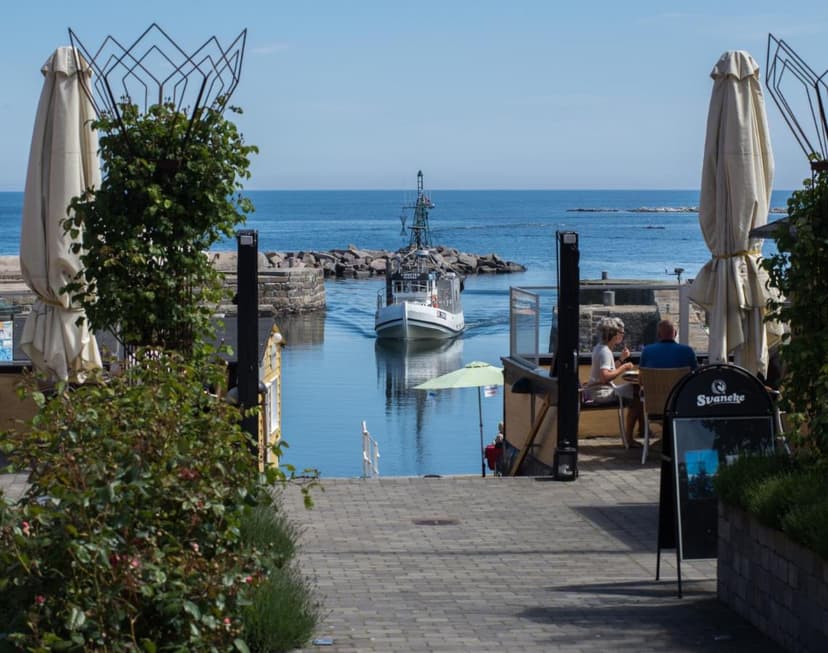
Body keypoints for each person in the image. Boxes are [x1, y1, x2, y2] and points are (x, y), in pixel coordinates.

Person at [586, 317, 642, 447]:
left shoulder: (600, 348)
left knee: (637, 395)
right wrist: (624, 367)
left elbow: (607, 370)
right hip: (603, 393)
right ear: (614, 334)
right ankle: (630, 438)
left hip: (597, 390)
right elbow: (606, 377)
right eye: (621, 333)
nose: (622, 336)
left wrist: (621, 359)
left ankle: (639, 432)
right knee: (638, 394)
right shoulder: (605, 352)